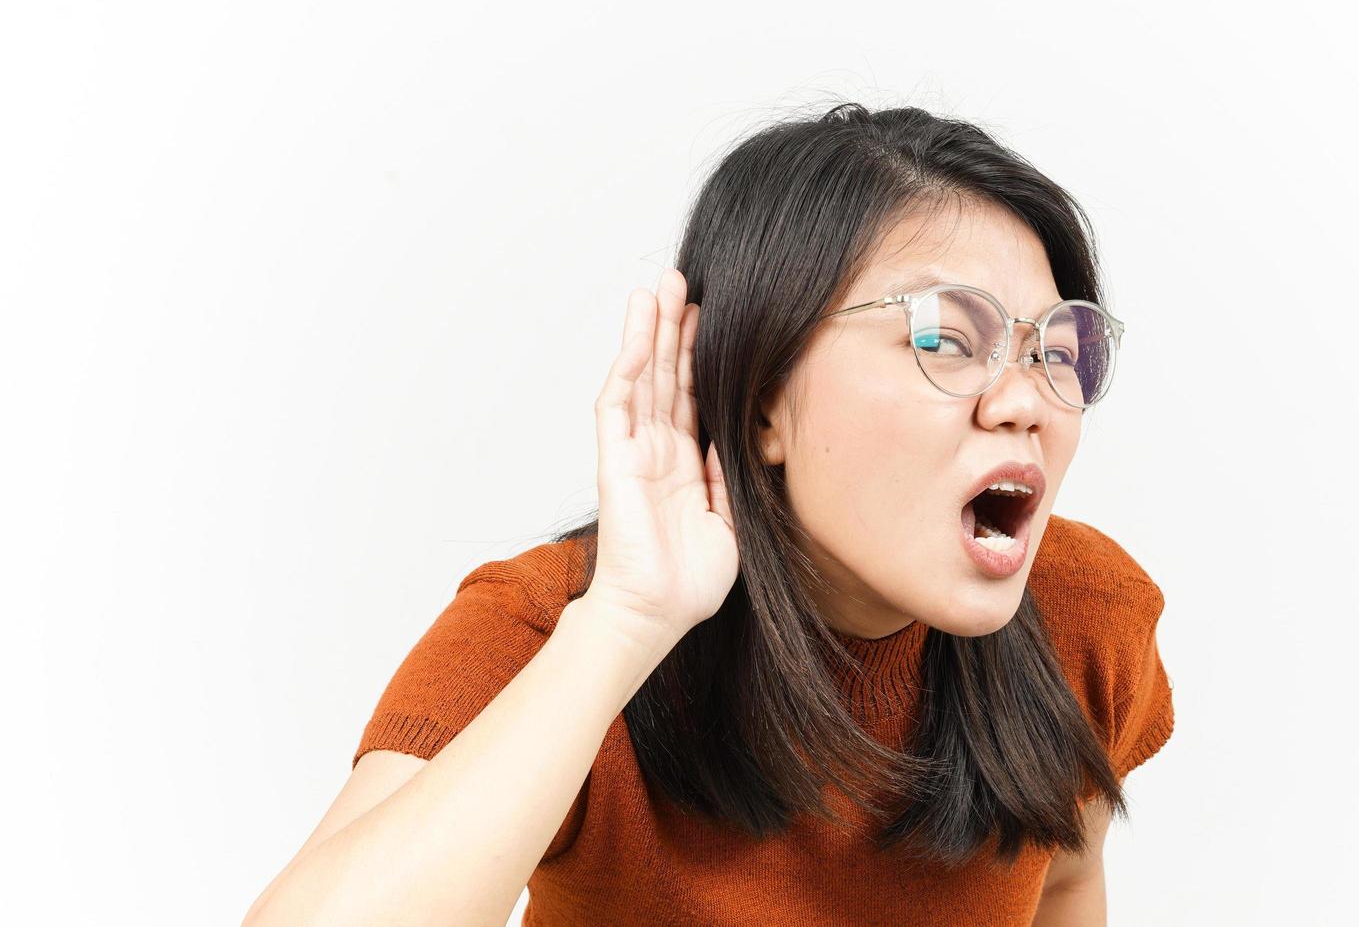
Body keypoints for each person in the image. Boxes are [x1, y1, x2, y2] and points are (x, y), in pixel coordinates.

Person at [243, 102, 1175, 926]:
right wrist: (625, 625)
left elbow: (1062, 883)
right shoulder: (546, 629)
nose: (1025, 400)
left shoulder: (1085, 616)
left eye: (1057, 347)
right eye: (944, 336)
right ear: (761, 390)